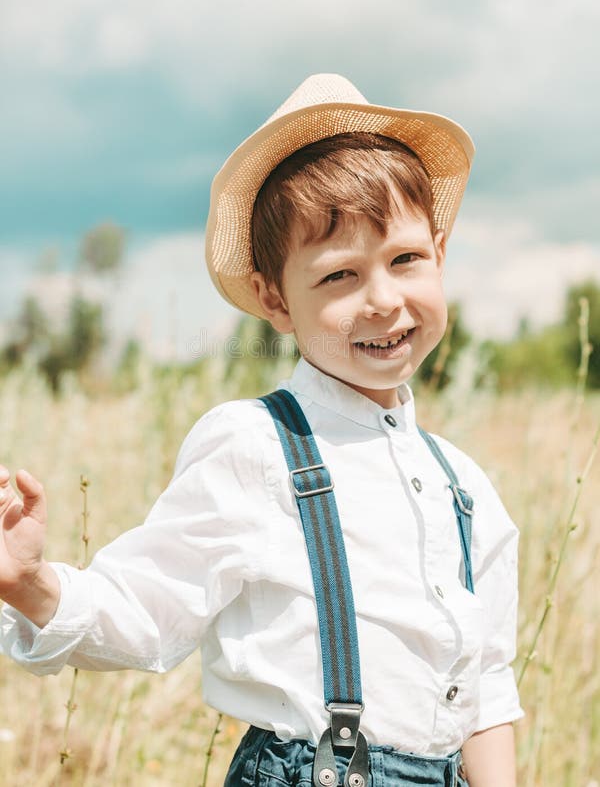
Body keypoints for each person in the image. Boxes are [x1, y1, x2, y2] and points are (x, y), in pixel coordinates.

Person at [0, 73, 523, 786]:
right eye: (339, 276)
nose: (382, 300)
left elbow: (487, 687)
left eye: (404, 259)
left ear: (438, 250)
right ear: (276, 299)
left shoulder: (467, 489)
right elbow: (147, 608)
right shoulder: (255, 446)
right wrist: (31, 586)